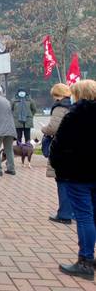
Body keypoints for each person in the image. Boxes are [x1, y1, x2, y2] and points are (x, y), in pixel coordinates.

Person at [50, 80, 96, 280]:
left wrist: (60, 168)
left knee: (85, 217)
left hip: (77, 175)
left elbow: (58, 147)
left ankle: (85, 261)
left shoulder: (74, 116)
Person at [41, 83, 73, 224]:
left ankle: (64, 213)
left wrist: (44, 130)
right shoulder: (74, 104)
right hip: (76, 149)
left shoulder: (60, 107)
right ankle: (73, 212)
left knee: (63, 181)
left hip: (63, 149)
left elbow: (54, 128)